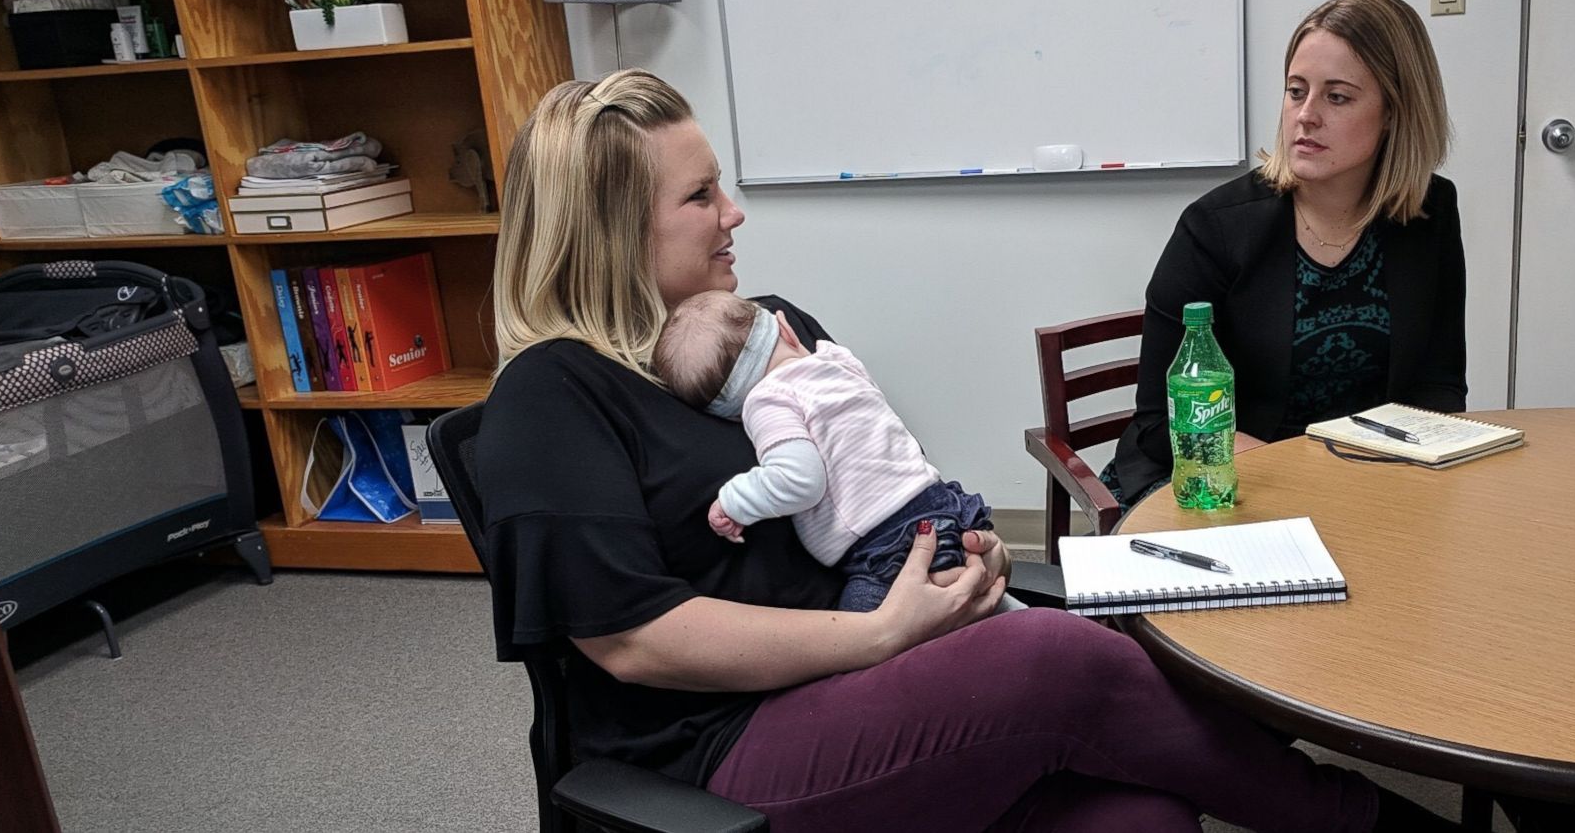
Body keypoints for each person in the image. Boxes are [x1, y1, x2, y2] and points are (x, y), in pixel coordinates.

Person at [477, 67, 1470, 831]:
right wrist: (876, 637)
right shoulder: (551, 395)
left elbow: (872, 484)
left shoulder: (763, 327)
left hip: (863, 673)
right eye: (700, 198)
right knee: (1057, 661)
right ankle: (1366, 818)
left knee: (1146, 818)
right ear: (607, 231)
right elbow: (634, 639)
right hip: (721, 750)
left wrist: (953, 561)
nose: (735, 214)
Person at [1106, 0, 1466, 507]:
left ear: (1396, 112)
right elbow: (1161, 420)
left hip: (1370, 484)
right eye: (1296, 91)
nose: (1306, 115)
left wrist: (1421, 482)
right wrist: (1308, 478)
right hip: (1227, 481)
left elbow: (1438, 386)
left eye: (1337, 97)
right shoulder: (1216, 227)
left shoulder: (1429, 211)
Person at [651, 289, 1020, 613]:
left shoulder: (766, 401)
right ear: (786, 329)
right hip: (942, 504)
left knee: (863, 633)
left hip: (887, 544)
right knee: (975, 590)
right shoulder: (838, 360)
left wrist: (734, 501)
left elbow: (800, 480)